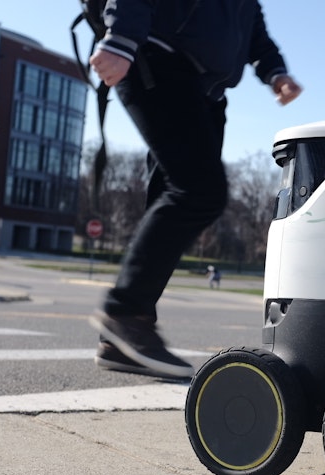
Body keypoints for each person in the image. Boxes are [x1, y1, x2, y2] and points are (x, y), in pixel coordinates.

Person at [88, 0, 302, 379]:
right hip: (158, 58)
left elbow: (254, 33)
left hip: (205, 91)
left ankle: (126, 334)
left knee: (170, 197)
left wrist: (275, 72)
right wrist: (121, 37)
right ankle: (125, 314)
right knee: (199, 191)